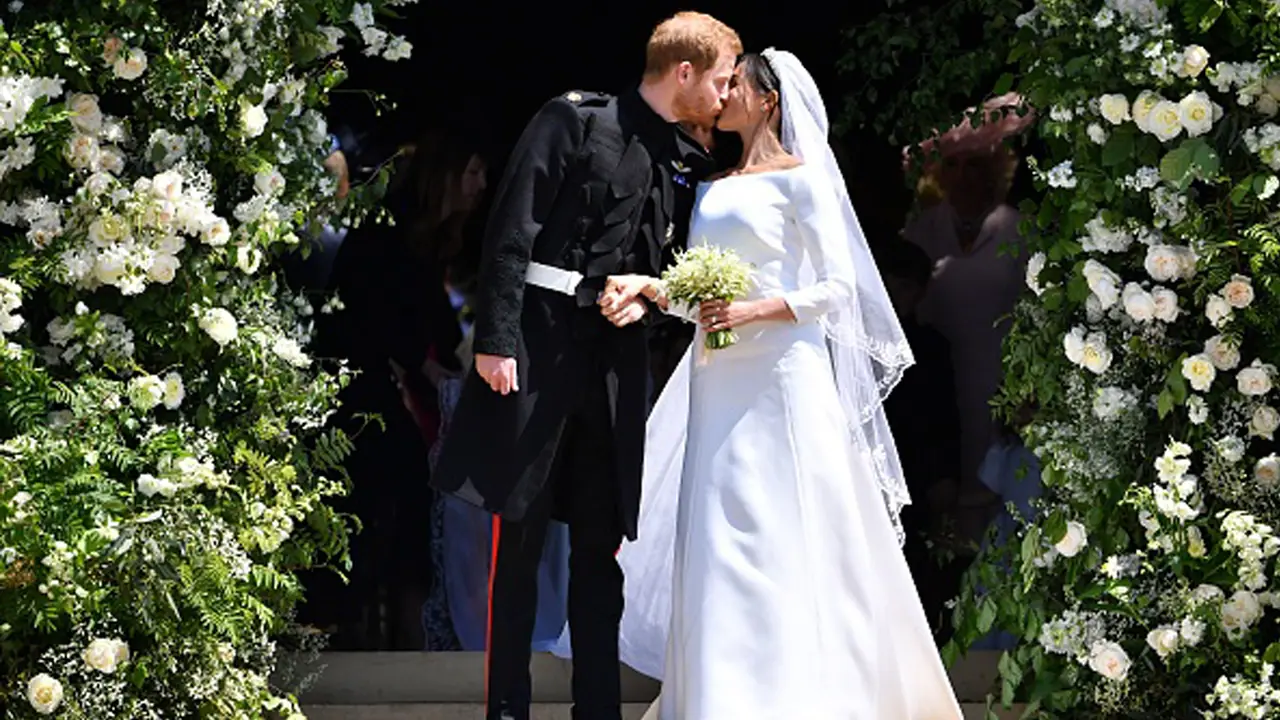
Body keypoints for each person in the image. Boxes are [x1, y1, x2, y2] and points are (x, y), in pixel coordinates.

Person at [590, 49, 963, 718]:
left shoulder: (802, 182)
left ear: (768, 101)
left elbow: (837, 287)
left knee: (789, 524)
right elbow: (704, 291)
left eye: (736, 84)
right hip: (719, 376)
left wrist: (757, 309)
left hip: (783, 375)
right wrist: (654, 289)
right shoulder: (712, 185)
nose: (723, 92)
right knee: (720, 531)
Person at [430, 12, 741, 720]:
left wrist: (650, 305)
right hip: (538, 349)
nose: (725, 97)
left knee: (601, 550)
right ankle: (507, 708)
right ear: (684, 72)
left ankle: (595, 711)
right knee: (520, 537)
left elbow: (667, 273)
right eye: (721, 80)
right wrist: (496, 340)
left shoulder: (682, 159)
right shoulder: (573, 120)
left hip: (613, 366)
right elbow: (514, 225)